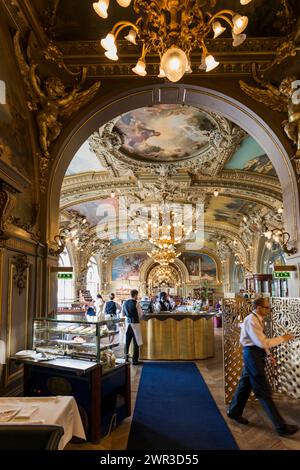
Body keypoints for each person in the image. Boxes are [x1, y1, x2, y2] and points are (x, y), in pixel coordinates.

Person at [227, 296, 298, 436]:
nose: (268, 309)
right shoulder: (251, 321)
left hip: (254, 353)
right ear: (258, 307)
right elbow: (262, 342)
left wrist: (268, 355)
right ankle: (281, 427)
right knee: (263, 391)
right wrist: (283, 338)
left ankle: (234, 412)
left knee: (245, 385)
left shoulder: (257, 319)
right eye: (266, 307)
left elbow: (260, 341)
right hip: (252, 355)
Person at [122, 289, 143, 365]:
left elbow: (123, 314)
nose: (137, 297)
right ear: (135, 295)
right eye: (137, 295)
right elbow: (141, 314)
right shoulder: (136, 303)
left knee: (127, 342)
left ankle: (126, 359)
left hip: (128, 324)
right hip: (135, 324)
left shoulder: (124, 303)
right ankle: (135, 360)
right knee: (136, 342)